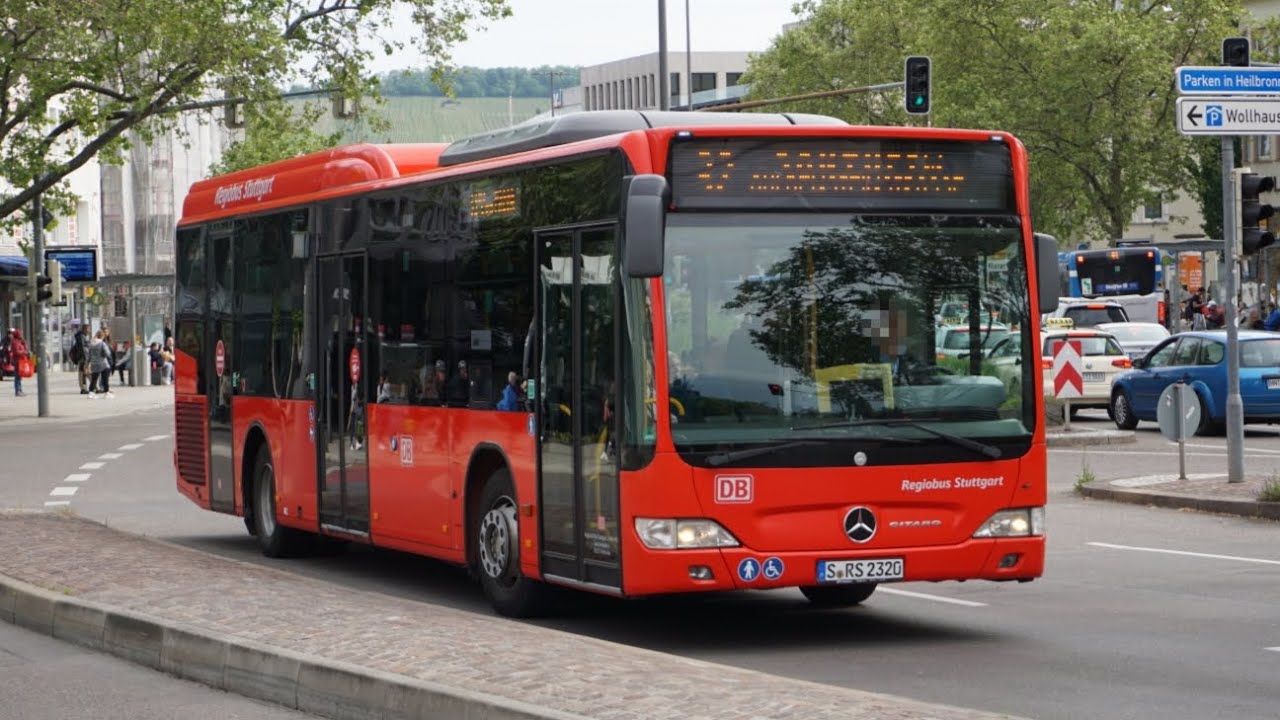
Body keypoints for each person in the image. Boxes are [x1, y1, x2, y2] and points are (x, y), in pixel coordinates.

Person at [87, 329, 113, 397]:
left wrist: (87, 364)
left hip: (94, 364)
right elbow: (108, 353)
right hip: (103, 363)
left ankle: (91, 393)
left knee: (94, 379)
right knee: (105, 379)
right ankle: (106, 392)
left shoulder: (91, 344)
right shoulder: (102, 343)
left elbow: (89, 356)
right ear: (102, 336)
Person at [7, 329, 29, 397]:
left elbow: (25, 348)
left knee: (19, 376)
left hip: (21, 360)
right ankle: (17, 391)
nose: (21, 335)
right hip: (17, 361)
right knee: (17, 376)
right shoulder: (15, 342)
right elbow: (16, 352)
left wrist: (24, 342)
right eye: (20, 334)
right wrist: (24, 352)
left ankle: (20, 390)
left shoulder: (19, 341)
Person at [71, 325, 90, 394]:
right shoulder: (81, 337)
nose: (89, 331)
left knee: (86, 373)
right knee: (83, 373)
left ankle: (91, 387)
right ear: (84, 329)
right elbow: (82, 348)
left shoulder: (82, 336)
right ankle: (83, 388)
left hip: (84, 358)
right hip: (83, 358)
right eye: (88, 329)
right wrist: (85, 358)